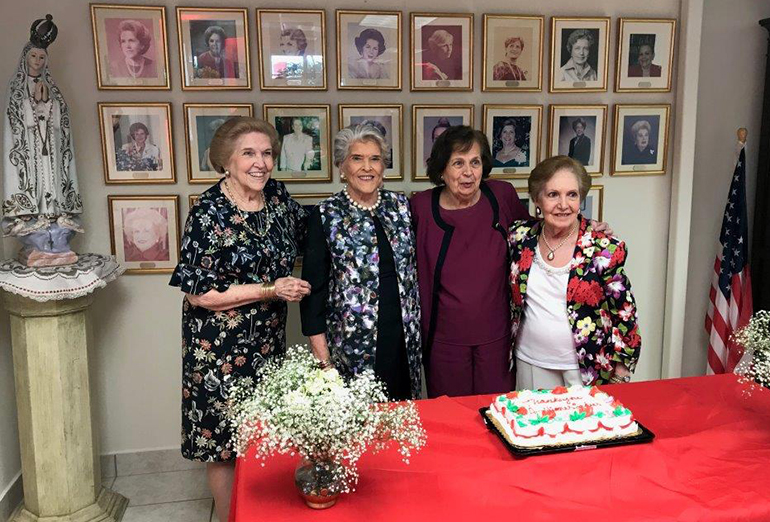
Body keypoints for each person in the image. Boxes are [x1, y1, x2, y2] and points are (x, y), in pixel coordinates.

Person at [169, 117, 310, 522]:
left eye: (266, 153)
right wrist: (270, 289)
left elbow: (312, 233)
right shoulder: (208, 213)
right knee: (223, 446)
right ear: (226, 161)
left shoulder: (278, 199)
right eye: (248, 153)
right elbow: (200, 292)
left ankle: (259, 513)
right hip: (216, 349)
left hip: (265, 344)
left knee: (260, 435)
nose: (260, 163)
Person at [300, 124, 422, 400]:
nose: (367, 167)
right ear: (342, 166)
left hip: (403, 340)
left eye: (375, 158)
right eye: (357, 158)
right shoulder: (326, 215)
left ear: (383, 166)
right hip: (351, 346)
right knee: (360, 430)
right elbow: (312, 295)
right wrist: (324, 364)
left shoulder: (401, 206)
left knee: (403, 419)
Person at [411, 126, 529, 397]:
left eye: (475, 162)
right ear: (442, 169)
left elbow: (536, 235)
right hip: (443, 341)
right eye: (458, 163)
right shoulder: (421, 207)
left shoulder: (500, 195)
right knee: (452, 417)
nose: (468, 172)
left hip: (496, 338)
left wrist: (585, 230)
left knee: (497, 413)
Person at [509, 155, 641, 389]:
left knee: (581, 426)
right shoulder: (519, 237)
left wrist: (621, 373)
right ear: (537, 199)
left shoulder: (604, 248)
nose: (563, 204)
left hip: (586, 367)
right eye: (553, 195)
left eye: (572, 194)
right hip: (530, 362)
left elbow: (625, 313)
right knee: (533, 425)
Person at [2, 14, 83, 264]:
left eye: (41, 57)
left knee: (52, 182)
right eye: (33, 56)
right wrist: (32, 102)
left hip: (50, 152)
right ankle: (33, 227)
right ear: (26, 58)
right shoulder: (16, 89)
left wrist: (48, 102)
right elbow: (16, 122)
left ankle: (55, 225)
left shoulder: (52, 88)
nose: (37, 61)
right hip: (29, 152)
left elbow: (61, 124)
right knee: (33, 182)